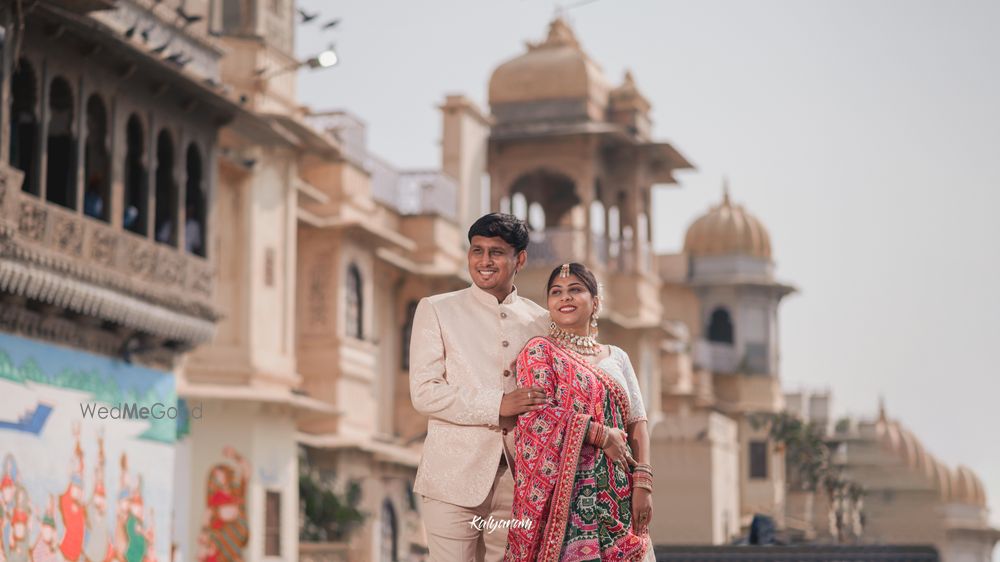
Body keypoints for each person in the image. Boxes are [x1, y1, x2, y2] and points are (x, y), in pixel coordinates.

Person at [409, 213, 550, 562]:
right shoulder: (438, 309)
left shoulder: (540, 320)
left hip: (519, 482)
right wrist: (497, 404)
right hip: (452, 478)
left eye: (496, 252)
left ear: (520, 259)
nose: (484, 261)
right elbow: (425, 391)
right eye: (477, 251)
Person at [505, 263, 654, 562]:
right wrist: (599, 434)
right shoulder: (539, 351)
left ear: (595, 302)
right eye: (556, 292)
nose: (565, 298)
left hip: (619, 492)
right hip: (565, 503)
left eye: (576, 290)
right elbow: (537, 417)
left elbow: (637, 423)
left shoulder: (618, 357)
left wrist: (643, 483)